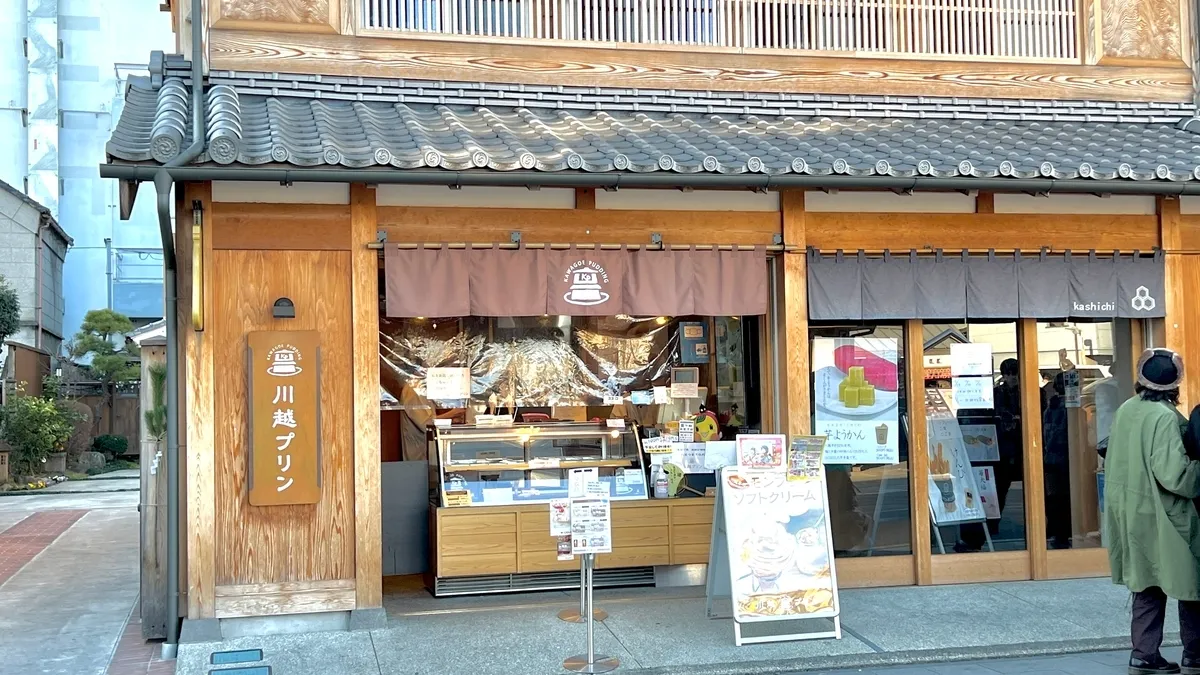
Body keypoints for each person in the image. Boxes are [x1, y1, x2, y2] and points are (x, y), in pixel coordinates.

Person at [1105, 348, 1200, 675]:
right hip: (1165, 514)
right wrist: (1198, 472)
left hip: (1129, 510)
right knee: (1191, 583)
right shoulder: (1163, 417)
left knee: (1146, 583)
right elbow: (1174, 475)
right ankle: (1195, 653)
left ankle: (1143, 654)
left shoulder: (1127, 409)